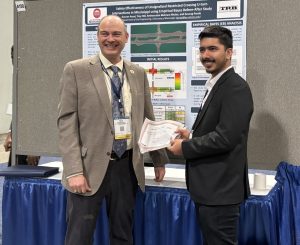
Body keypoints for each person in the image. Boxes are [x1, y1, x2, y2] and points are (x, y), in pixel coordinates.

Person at [57, 15, 168, 245]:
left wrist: (158, 158)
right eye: (105, 34)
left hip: (126, 167)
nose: (110, 39)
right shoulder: (76, 70)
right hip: (88, 169)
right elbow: (66, 122)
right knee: (78, 237)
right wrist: (74, 170)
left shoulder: (138, 73)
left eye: (116, 34)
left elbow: (148, 118)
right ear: (97, 37)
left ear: (126, 38)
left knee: (122, 235)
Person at [168, 26, 253, 244]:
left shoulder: (235, 88)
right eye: (203, 49)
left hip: (220, 193)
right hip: (211, 192)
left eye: (213, 49)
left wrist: (184, 148)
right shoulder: (217, 84)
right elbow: (218, 129)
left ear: (229, 52)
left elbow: (225, 138)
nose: (206, 55)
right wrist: (191, 135)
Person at [3, 45, 40, 166]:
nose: (14, 62)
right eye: (12, 58)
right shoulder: (19, 77)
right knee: (13, 171)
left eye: (17, 58)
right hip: (19, 135)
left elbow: (38, 114)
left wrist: (33, 146)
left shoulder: (37, 81)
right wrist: (10, 133)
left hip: (31, 138)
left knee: (28, 178)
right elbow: (17, 109)